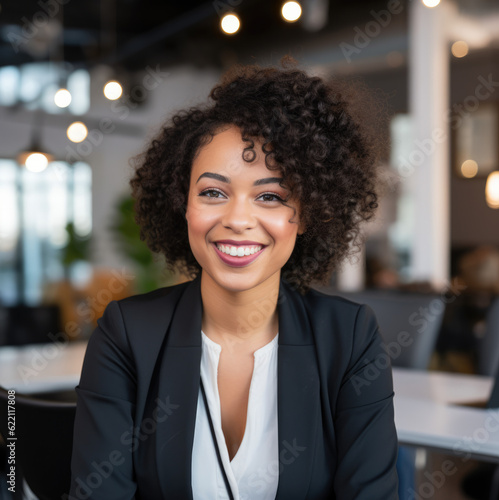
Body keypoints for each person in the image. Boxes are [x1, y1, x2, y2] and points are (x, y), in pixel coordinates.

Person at [69, 56, 399, 499]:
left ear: (305, 215)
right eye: (212, 192)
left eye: (269, 196)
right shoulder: (127, 335)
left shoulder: (349, 338)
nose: (238, 219)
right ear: (182, 205)